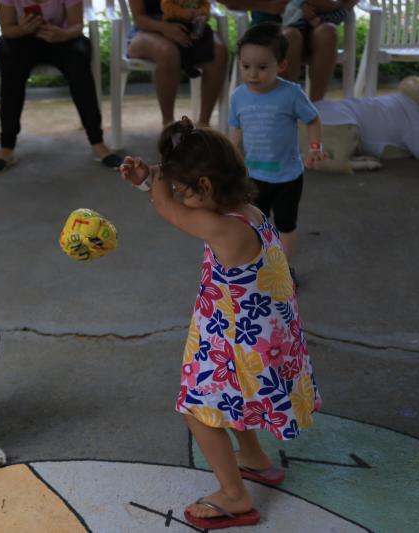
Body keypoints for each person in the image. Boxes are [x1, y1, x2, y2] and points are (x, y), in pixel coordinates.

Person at [120, 117, 321, 530]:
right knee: (230, 405)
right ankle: (255, 460)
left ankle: (235, 495)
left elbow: (163, 207)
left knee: (197, 411)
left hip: (239, 344)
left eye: (183, 188)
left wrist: (153, 182)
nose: (176, 194)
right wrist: (155, 177)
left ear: (206, 187)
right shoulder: (247, 213)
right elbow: (171, 201)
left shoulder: (223, 228)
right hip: (258, 336)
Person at [229, 22, 325, 282]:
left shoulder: (291, 94)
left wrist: (315, 148)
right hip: (253, 177)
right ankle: (258, 266)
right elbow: (236, 130)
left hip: (287, 178)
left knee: (285, 225)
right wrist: (229, 158)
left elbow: (313, 120)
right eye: (246, 66)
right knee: (254, 224)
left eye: (262, 67)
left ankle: (282, 270)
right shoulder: (238, 96)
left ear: (281, 65)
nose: (252, 74)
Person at [0, 0, 122, 175]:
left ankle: (97, 142)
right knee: (7, 57)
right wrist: (22, 30)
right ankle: (6, 147)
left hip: (62, 39)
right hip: (21, 41)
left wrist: (62, 35)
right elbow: (7, 29)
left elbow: (76, 26)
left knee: (79, 58)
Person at [126, 0, 228, 127]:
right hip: (146, 31)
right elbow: (139, 18)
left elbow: (204, 5)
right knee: (167, 52)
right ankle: (168, 125)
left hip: (188, 28)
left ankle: (204, 124)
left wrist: (199, 16)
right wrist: (164, 28)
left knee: (219, 51)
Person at [250, 0, 356, 102]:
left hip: (311, 24)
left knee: (327, 33)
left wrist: (337, 4)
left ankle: (316, 106)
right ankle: (283, 107)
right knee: (290, 37)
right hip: (271, 25)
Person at [159, 0, 212, 79]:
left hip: (195, 20)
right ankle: (187, 66)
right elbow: (165, 6)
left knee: (207, 32)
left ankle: (203, 58)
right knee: (182, 39)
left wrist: (200, 12)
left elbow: (206, 5)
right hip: (175, 20)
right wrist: (182, 13)